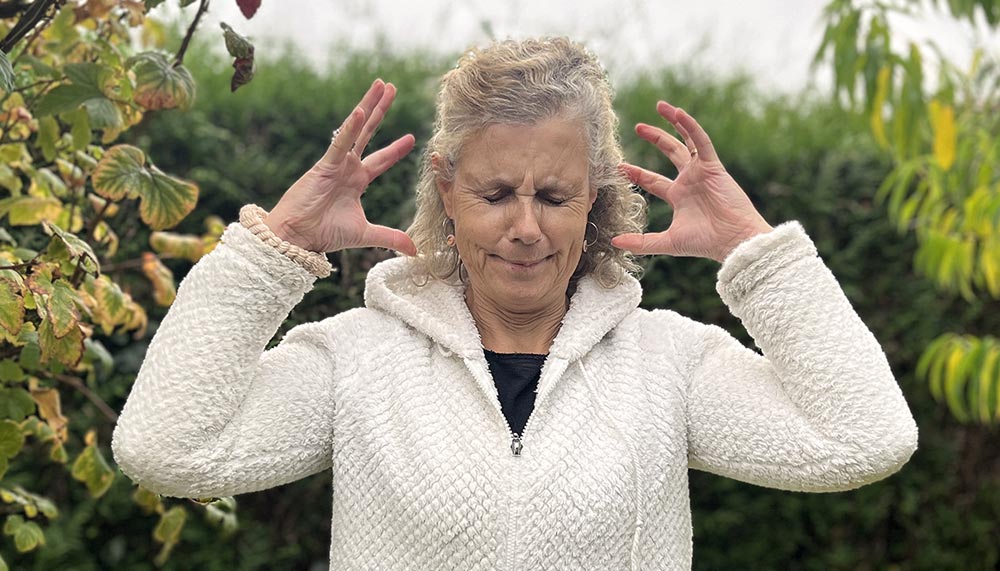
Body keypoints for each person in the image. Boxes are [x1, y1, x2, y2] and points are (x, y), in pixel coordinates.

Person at [111, 37, 918, 570]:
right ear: (447, 192)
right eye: (496, 193)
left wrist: (757, 252)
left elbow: (863, 437)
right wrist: (274, 247)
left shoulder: (671, 363)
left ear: (595, 201)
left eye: (556, 195)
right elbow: (166, 447)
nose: (526, 228)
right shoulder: (357, 358)